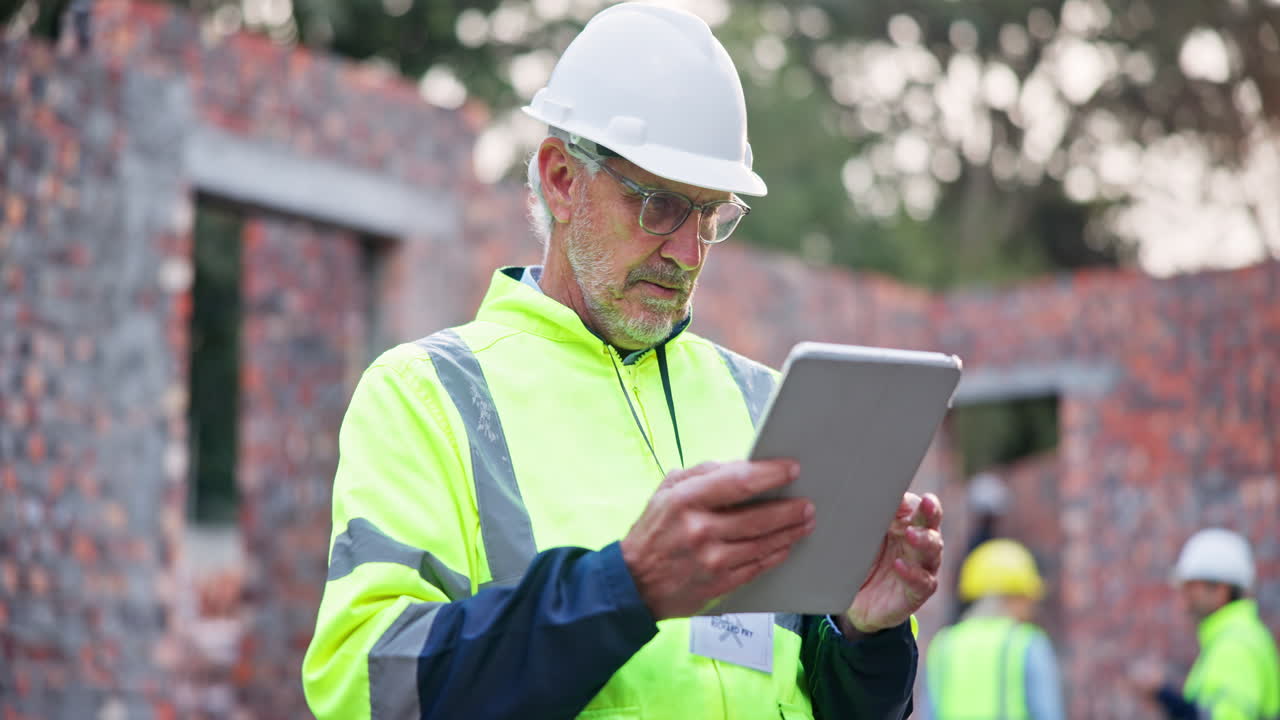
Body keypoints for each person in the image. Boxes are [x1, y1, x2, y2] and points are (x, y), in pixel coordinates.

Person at [301, 4, 945, 719]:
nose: (689, 253)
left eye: (711, 215)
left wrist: (863, 634)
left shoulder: (760, 402)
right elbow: (369, 689)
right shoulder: (426, 397)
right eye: (661, 205)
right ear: (561, 179)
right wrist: (624, 587)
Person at [1129, 528, 1280, 720]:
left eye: (1192, 587)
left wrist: (1164, 694)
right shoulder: (1232, 639)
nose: (1185, 599)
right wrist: (1164, 694)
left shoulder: (1235, 646)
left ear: (1220, 590)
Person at [924, 538, 1065, 720]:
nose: (1032, 607)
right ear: (1013, 595)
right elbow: (1048, 713)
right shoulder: (1027, 643)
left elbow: (929, 712)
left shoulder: (944, 645)